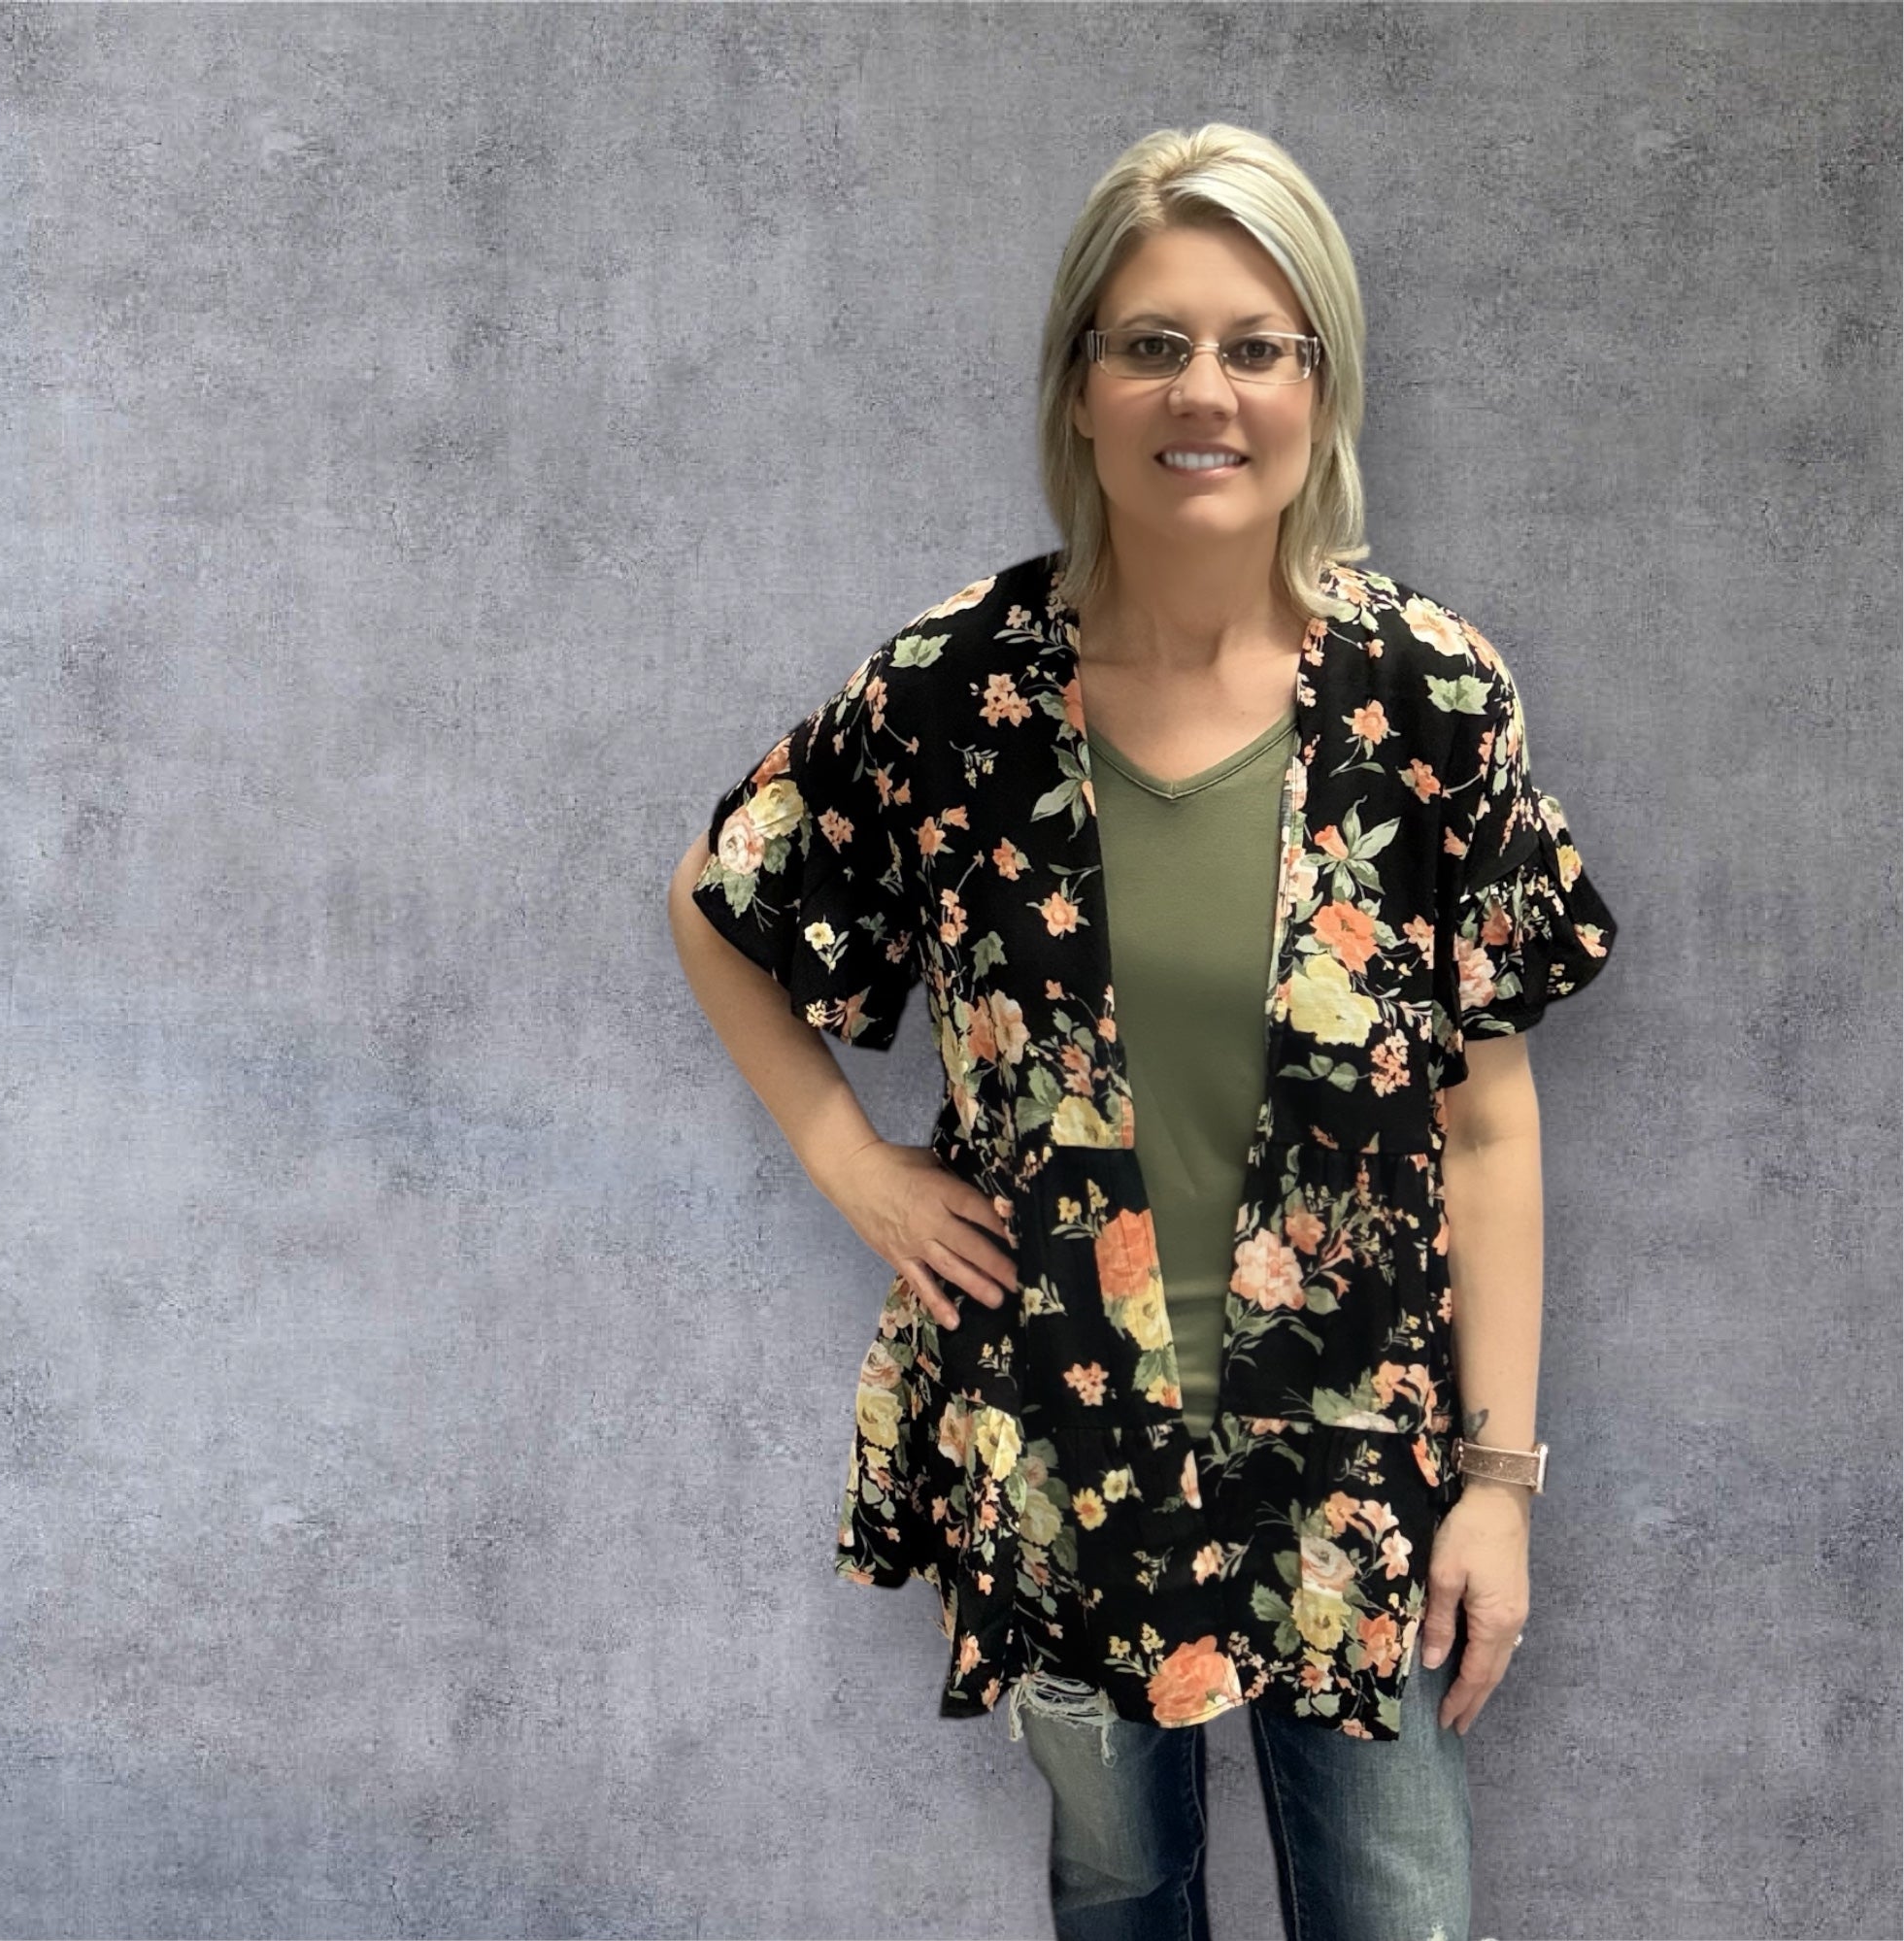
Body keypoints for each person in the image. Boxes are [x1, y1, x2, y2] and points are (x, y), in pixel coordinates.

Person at [669, 122, 1616, 1941]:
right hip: (1054, 1438)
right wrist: (848, 1159)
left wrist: (1500, 1484)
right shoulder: (954, 694)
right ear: (1082, 388)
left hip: (1357, 1462)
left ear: (1320, 386)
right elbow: (721, 898)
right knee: (1121, 1885)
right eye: (1153, 343)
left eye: (1259, 345)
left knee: (1397, 1903)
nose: (1206, 391)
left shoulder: (1432, 697)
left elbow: (1489, 1128)